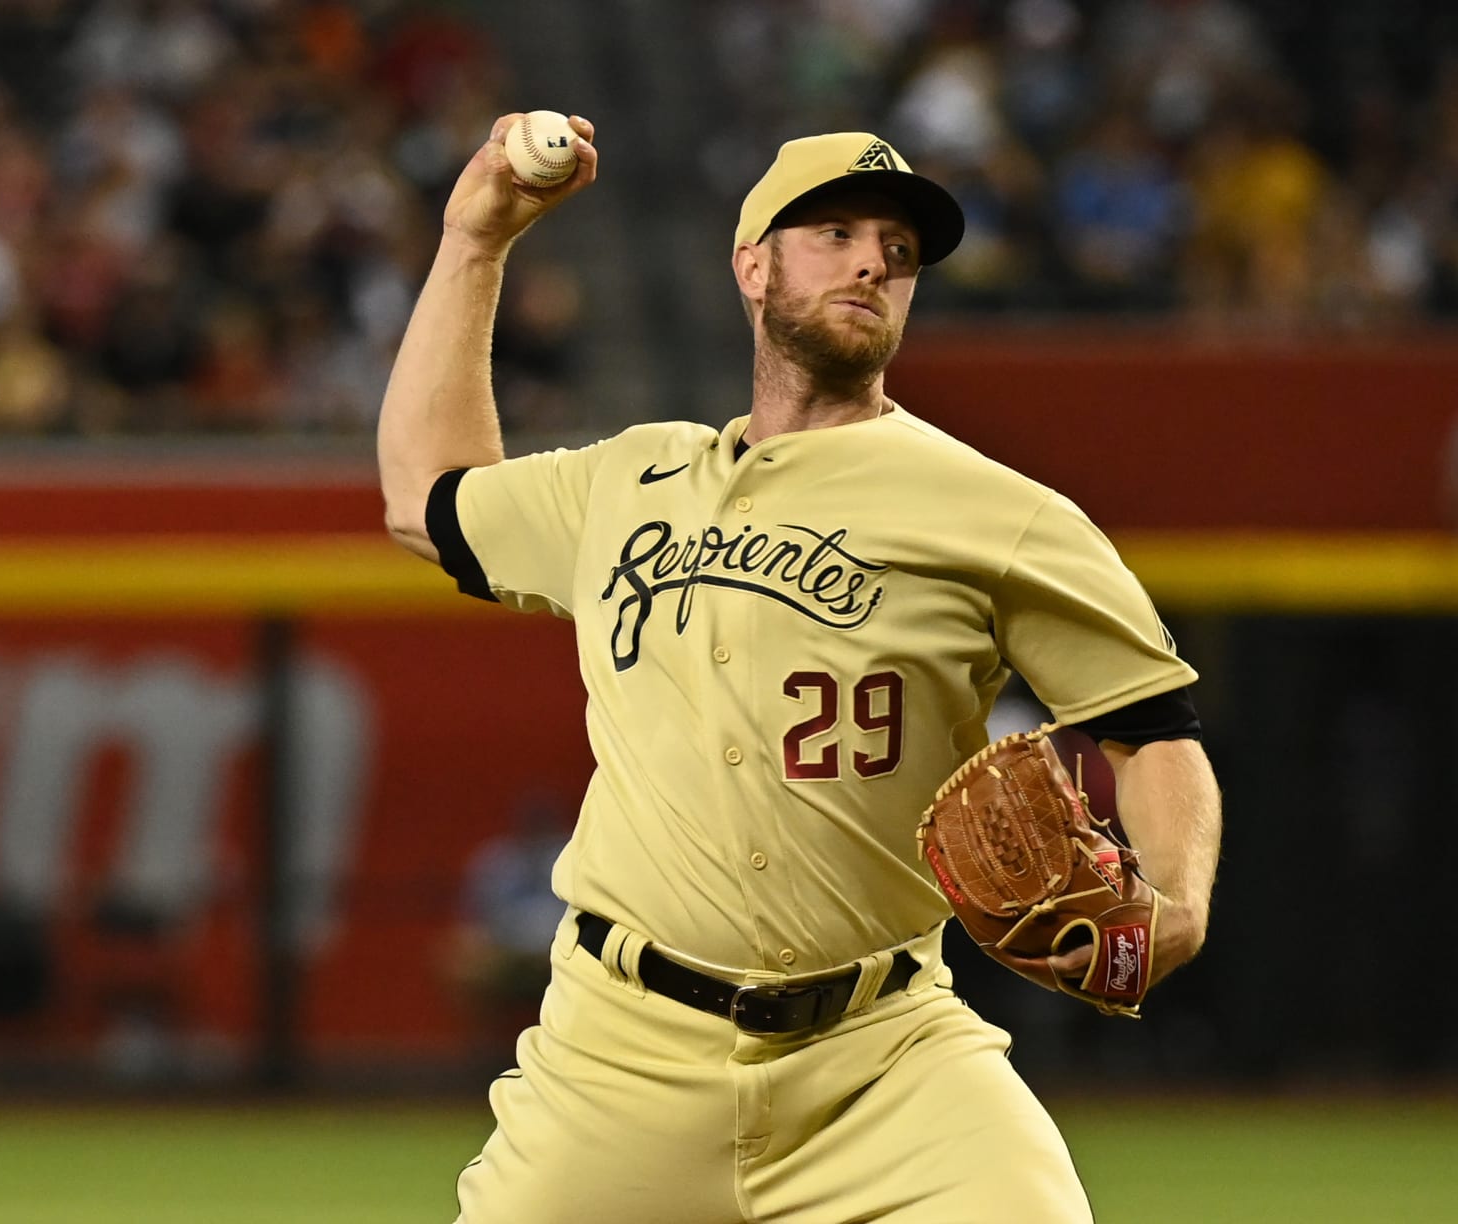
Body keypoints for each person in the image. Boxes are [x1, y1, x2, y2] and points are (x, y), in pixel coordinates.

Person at [378, 113, 1223, 1224]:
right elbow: (426, 498)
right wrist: (473, 242)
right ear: (752, 264)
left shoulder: (999, 512)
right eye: (834, 232)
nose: (874, 259)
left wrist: (1178, 902)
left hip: (885, 1055)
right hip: (619, 1055)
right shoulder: (628, 483)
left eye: (899, 250)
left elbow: (1156, 726)